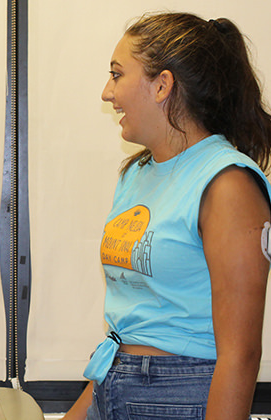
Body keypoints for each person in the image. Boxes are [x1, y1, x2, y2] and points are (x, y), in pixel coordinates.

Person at [62, 12, 271, 420]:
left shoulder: (228, 183)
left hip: (183, 394)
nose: (107, 92)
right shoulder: (137, 173)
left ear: (162, 85)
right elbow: (133, 326)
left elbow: (241, 353)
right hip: (114, 379)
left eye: (117, 74)